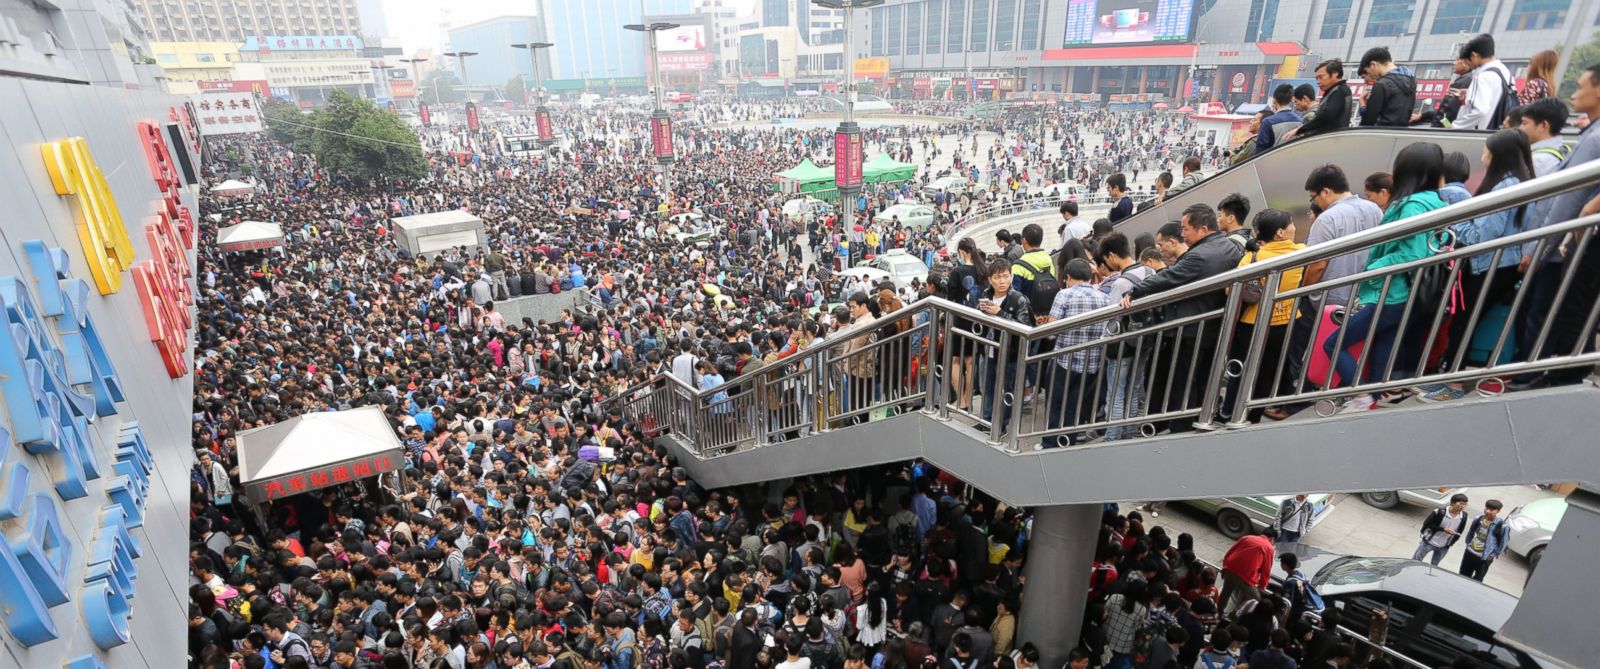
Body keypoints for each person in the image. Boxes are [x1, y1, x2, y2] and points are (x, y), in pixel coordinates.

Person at [1325, 142, 1447, 413]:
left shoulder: (1413, 205)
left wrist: (1373, 267)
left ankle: (1362, 396)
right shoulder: (1432, 202)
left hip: (1390, 292)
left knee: (1333, 344)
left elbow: (1412, 254)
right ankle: (1372, 399)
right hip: (1401, 293)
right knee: (1383, 345)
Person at [1420, 129, 1533, 403]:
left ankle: (1454, 384)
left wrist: (1454, 220)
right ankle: (1451, 378)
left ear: (1498, 155)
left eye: (1487, 149)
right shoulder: (1519, 180)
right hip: (1500, 264)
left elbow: (1482, 235)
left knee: (1464, 321)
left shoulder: (1505, 185)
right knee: (1465, 321)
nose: (1483, 154)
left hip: (1492, 264)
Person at [1122, 204, 1245, 432]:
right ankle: (1199, 418)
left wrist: (1134, 291)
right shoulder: (1229, 246)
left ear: (1203, 229)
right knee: (1201, 379)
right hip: (1214, 324)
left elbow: (1168, 277)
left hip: (1190, 329)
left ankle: (1182, 427)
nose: (1183, 234)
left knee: (1183, 382)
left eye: (1186, 228)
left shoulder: (1199, 255)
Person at [1522, 64, 1600, 388]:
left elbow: (1569, 198)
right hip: (1581, 239)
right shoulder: (1591, 133)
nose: (1574, 94)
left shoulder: (1595, 137)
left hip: (1586, 242)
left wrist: (1542, 248)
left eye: (1581, 86)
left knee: (1572, 309)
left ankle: (1564, 377)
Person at [1227, 209, 1305, 421]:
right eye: (1291, 223)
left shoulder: (1252, 258)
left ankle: (1233, 413)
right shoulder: (1301, 252)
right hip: (1287, 321)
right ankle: (1255, 414)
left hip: (1254, 323)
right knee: (1269, 371)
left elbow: (1231, 290)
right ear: (1280, 232)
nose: (1294, 227)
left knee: (1244, 370)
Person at [1044, 259, 1110, 447]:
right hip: (1092, 363)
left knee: (1056, 403)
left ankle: (1050, 443)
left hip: (1064, 360)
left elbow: (1050, 331)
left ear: (1069, 277)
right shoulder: (1104, 298)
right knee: (1075, 405)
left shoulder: (1064, 295)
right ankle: (1068, 441)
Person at [1301, 164, 1384, 308]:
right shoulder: (1374, 209)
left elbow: (1318, 265)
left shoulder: (1326, 219)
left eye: (1314, 198)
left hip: (1332, 301)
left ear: (1326, 192)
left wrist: (1303, 291)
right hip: (1368, 294)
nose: (1316, 203)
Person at [978, 260, 1035, 434]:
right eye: (997, 277)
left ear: (1011, 277)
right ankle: (986, 420)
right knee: (987, 387)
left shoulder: (1018, 299)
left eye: (1005, 276)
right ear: (990, 279)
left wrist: (1000, 313)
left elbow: (1025, 328)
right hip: (988, 349)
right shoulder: (986, 294)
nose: (1002, 281)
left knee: (1006, 389)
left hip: (1010, 353)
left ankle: (1002, 423)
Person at [946, 238, 989, 413]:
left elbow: (950, 298)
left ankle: (961, 400)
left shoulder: (957, 272)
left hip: (960, 320)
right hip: (978, 322)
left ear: (962, 252)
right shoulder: (983, 270)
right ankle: (969, 398)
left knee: (956, 360)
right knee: (971, 362)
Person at [1455, 34, 1514, 131]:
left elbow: (1480, 111)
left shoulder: (1482, 76)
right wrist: (1469, 92)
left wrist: (1456, 126)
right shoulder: (1505, 72)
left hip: (1481, 132)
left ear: (1474, 55)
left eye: (1466, 61)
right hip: (1500, 130)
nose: (1468, 65)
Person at [1217, 531, 1274, 617]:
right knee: (1256, 599)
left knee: (1226, 592)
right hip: (1246, 576)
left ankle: (1218, 613)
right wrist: (1261, 587)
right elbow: (1266, 571)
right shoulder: (1269, 547)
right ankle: (1234, 615)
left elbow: (1230, 552)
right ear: (1272, 539)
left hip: (1230, 568)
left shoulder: (1247, 537)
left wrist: (1225, 566)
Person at [1293, 60, 1353, 140]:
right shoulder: (1334, 90)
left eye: (1321, 77)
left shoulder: (1339, 91)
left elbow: (1327, 116)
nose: (1318, 81)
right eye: (1317, 78)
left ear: (1335, 74)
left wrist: (1301, 130)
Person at [1357, 47, 1416, 127]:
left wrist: (1363, 107)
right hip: (1401, 131)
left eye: (1367, 71)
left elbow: (1368, 121)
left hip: (1380, 131)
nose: (1369, 74)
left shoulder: (1382, 84)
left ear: (1373, 64)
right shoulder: (1412, 80)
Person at [1459, 499, 1510, 581]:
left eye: (1492, 510)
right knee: (1462, 576)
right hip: (1470, 552)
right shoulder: (1478, 519)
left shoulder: (1502, 526)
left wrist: (1492, 555)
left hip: (1484, 558)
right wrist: (1468, 543)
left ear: (1498, 511)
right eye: (1487, 508)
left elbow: (1503, 543)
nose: (1488, 511)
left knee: (1477, 581)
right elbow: (1471, 531)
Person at [1413, 493, 1470, 565]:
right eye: (1461, 504)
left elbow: (1460, 531)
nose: (1463, 506)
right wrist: (1443, 529)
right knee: (1416, 561)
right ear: (1453, 503)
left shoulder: (1463, 516)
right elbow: (1427, 524)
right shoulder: (1439, 512)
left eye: (1465, 504)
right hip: (1428, 542)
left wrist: (1451, 543)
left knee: (1434, 565)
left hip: (1444, 546)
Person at [1256, 85, 1303, 153]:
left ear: (1274, 100)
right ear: (1291, 100)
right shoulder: (1300, 121)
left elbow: (1261, 149)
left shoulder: (1268, 122)